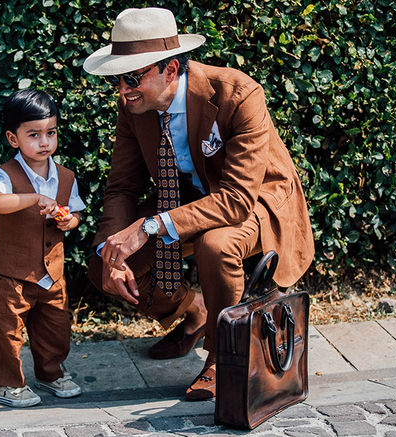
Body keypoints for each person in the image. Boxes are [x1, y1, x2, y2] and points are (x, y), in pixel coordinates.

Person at [83, 7, 314, 401]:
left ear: (170, 70)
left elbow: (237, 199)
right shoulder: (133, 107)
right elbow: (121, 187)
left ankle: (223, 358)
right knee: (99, 262)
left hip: (258, 199)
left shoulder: (238, 93)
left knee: (217, 244)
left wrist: (147, 227)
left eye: (130, 77)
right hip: (188, 198)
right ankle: (195, 313)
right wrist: (111, 249)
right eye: (117, 79)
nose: (122, 89)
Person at [0, 89, 85, 407]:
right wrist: (35, 199)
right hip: (11, 273)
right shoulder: (6, 174)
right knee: (8, 332)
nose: (44, 142)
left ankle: (51, 374)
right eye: (34, 135)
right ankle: (6, 383)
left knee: (56, 327)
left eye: (50, 133)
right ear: (14, 139)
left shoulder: (65, 176)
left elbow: (76, 212)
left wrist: (71, 222)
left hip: (52, 273)